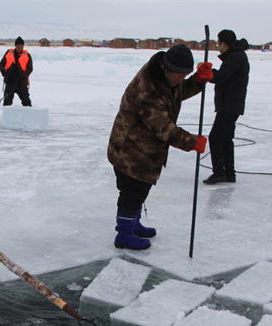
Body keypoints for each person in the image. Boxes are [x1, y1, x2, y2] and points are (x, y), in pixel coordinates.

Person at [107, 44, 212, 250]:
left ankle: (133, 224)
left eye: (185, 75)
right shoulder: (148, 88)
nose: (181, 80)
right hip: (130, 148)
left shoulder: (164, 78)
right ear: (167, 68)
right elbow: (162, 127)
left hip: (144, 148)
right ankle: (124, 233)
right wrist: (192, 142)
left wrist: (197, 81)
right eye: (179, 75)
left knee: (140, 189)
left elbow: (176, 92)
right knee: (132, 190)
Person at [203, 29, 250, 185]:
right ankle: (229, 173)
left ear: (223, 43)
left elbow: (222, 77)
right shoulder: (236, 55)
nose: (218, 46)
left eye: (218, 43)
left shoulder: (235, 57)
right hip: (230, 104)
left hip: (230, 105)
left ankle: (219, 173)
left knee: (216, 137)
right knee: (225, 138)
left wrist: (207, 72)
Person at [0, 36, 33, 106]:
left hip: (22, 83)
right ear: (15, 46)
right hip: (10, 82)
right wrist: (3, 72)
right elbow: (1, 64)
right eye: (18, 46)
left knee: (26, 101)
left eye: (21, 46)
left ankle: (28, 114)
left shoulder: (27, 55)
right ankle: (7, 115)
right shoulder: (8, 53)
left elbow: (30, 69)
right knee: (7, 101)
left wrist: (24, 75)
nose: (20, 47)